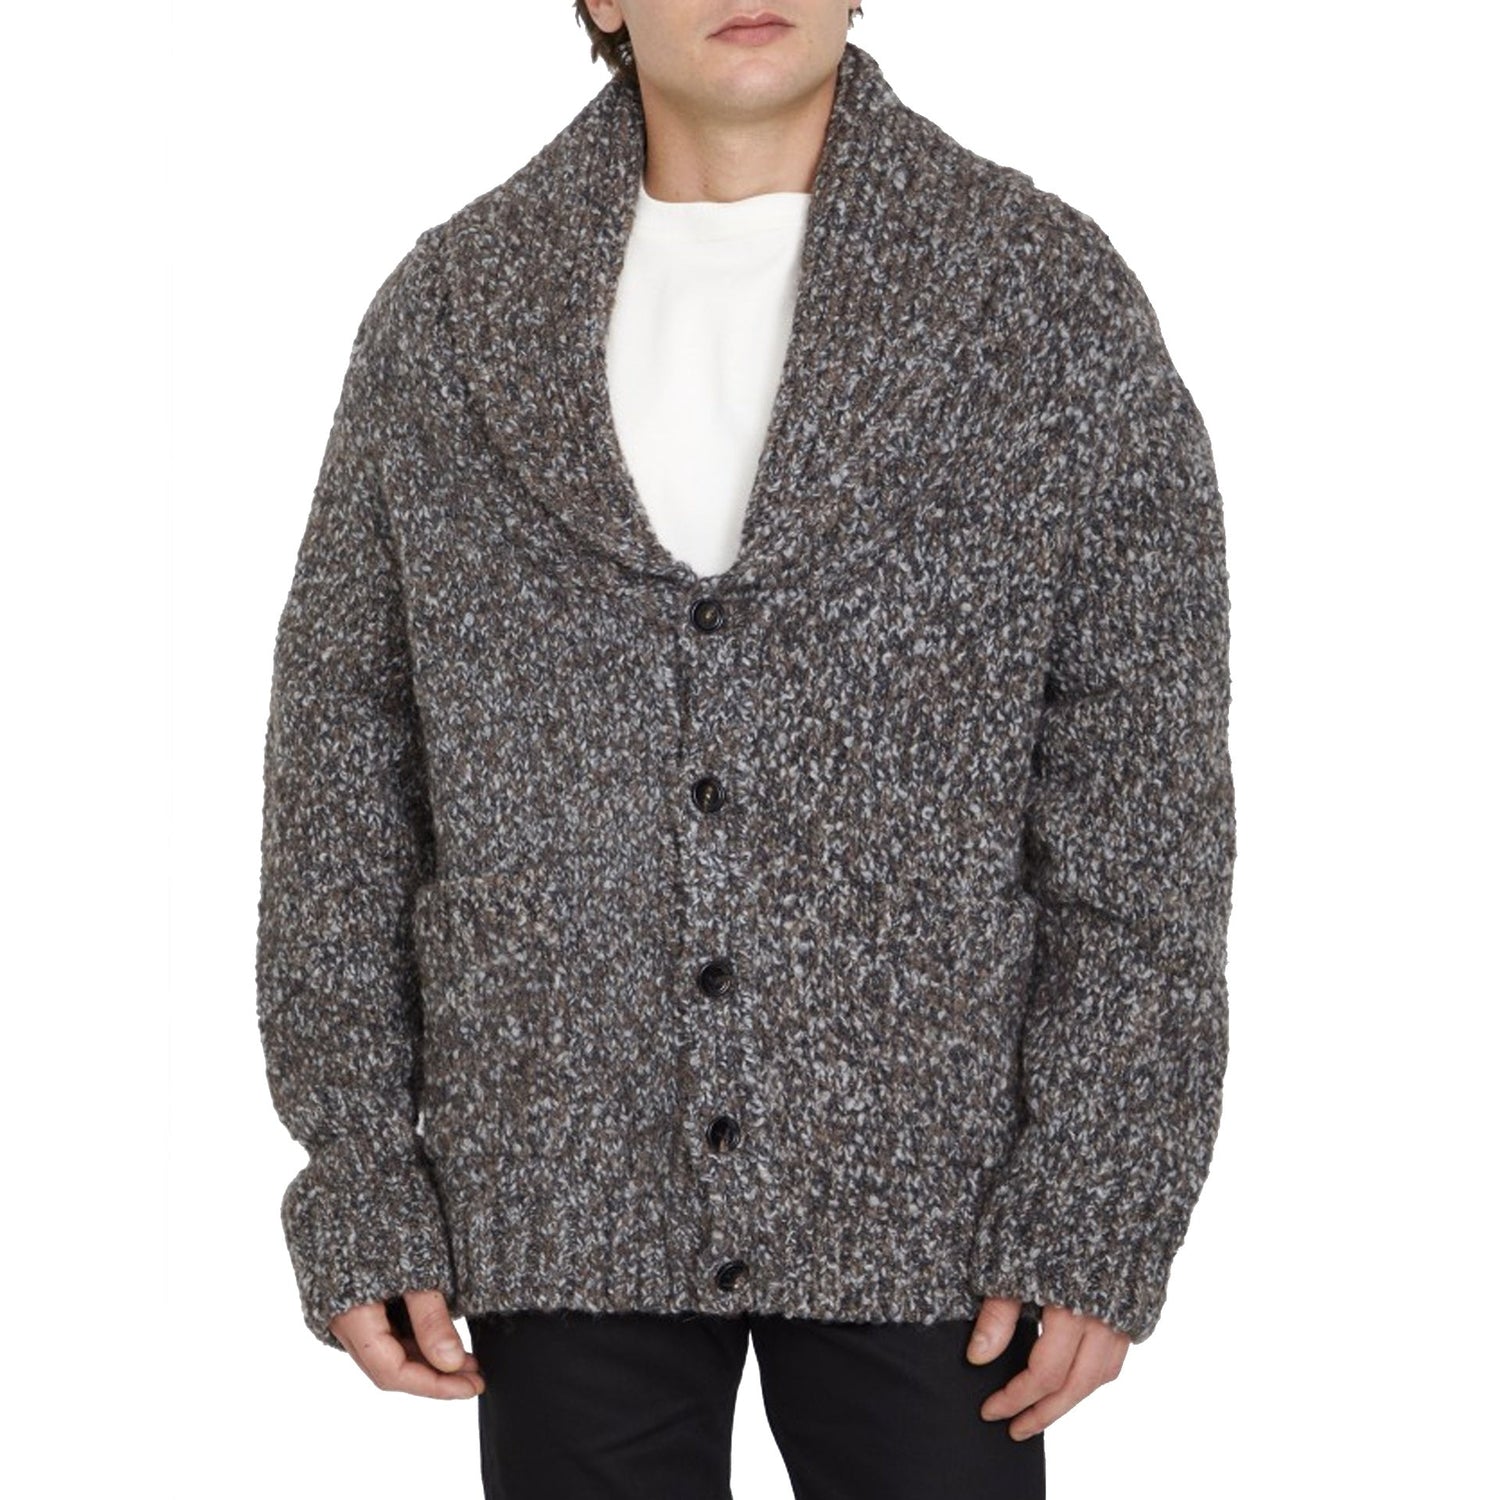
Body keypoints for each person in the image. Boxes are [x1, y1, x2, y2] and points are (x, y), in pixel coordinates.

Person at [255, 4, 1236, 1495]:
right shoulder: (453, 315)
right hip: (561, 1170)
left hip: (937, 1188)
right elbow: (342, 770)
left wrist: (1100, 1192)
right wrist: (359, 1176)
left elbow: (1142, 789)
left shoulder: (1039, 297)